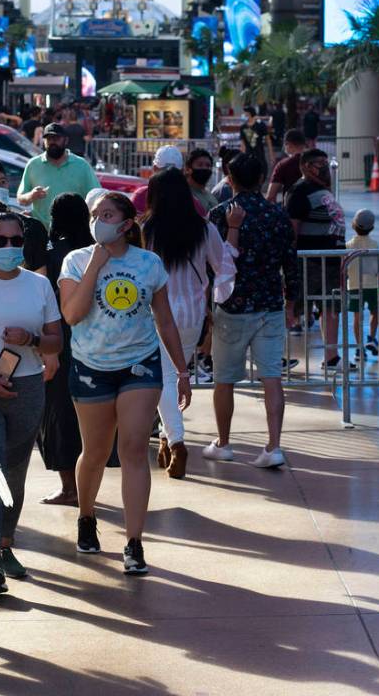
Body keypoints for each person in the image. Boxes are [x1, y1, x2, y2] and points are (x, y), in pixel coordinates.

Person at [58, 191, 191, 575]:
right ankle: (87, 516)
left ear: (126, 224)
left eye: (108, 214)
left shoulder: (148, 263)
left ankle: (134, 542)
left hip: (140, 365)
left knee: (133, 448)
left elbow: (165, 321)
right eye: (94, 214)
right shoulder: (76, 260)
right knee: (96, 452)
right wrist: (96, 265)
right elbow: (72, 314)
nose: (99, 220)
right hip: (91, 365)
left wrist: (181, 371)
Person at [0, 211, 62, 594]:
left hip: (28, 388)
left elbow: (56, 342)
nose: (8, 247)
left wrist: (31, 340)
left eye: (15, 241)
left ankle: (4, 543)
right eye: (0, 241)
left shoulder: (39, 286)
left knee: (15, 472)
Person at [205, 153, 298, 467]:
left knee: (225, 379)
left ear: (228, 178)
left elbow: (210, 266)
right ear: (262, 178)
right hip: (270, 305)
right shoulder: (277, 214)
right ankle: (274, 446)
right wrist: (292, 303)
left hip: (231, 307)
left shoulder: (218, 215)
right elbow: (290, 262)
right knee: (272, 377)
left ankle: (224, 442)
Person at [141, 168, 234, 478]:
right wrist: (217, 299)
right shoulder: (204, 229)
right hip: (192, 313)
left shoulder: (146, 230)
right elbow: (223, 266)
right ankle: (169, 440)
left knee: (164, 378)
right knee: (176, 373)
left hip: (156, 313)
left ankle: (176, 441)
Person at [38, 194, 93, 506]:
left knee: (59, 415)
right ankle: (87, 485)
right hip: (94, 343)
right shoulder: (95, 253)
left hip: (59, 341)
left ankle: (69, 487)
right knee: (91, 417)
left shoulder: (52, 254)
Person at [286, 148, 350, 371]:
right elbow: (292, 230)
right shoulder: (299, 192)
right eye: (317, 163)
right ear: (304, 166)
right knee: (292, 309)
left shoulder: (324, 190)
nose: (323, 167)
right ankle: (278, 357)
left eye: (324, 162)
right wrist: (290, 263)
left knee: (331, 308)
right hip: (309, 262)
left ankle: (332, 356)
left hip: (331, 262)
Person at [17, 122, 100, 230]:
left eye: (56, 138)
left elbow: (96, 197)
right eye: (49, 139)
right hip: (42, 232)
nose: (52, 142)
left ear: (66, 140)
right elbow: (20, 199)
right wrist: (31, 195)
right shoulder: (33, 165)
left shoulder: (81, 165)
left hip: (73, 232)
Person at [345, 209, 379, 364]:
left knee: (357, 317)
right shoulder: (374, 245)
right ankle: (372, 338)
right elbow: (377, 269)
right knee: (375, 312)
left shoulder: (348, 246)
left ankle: (359, 348)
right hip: (372, 286)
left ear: (353, 225)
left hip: (354, 286)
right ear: (372, 227)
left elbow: (344, 269)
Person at [266, 129, 308, 204]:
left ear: (288, 144)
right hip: (317, 210)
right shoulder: (316, 162)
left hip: (292, 211)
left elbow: (270, 196)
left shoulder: (283, 165)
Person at [184, 147, 220, 213]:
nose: (204, 168)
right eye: (200, 165)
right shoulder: (184, 195)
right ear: (188, 169)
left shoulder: (211, 196)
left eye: (208, 166)